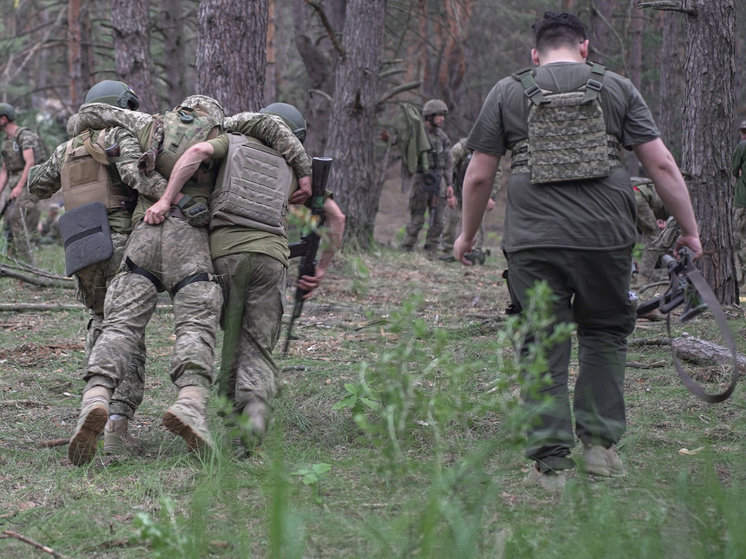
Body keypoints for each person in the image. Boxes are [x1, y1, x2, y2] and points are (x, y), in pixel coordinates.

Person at [454, 11, 702, 490]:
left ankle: (550, 467)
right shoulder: (617, 88)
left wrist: (467, 235)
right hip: (606, 236)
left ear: (535, 54)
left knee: (543, 341)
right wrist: (688, 229)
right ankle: (599, 449)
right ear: (584, 48)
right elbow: (662, 166)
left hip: (532, 239)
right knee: (605, 332)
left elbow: (480, 174)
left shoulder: (507, 91)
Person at [72, 96, 314, 466]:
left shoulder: (147, 124)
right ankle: (190, 403)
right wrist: (303, 167)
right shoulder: (228, 131)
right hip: (192, 242)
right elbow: (271, 126)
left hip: (145, 234)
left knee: (120, 325)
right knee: (195, 325)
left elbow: (88, 115)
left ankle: (96, 398)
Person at [144, 102, 344, 452]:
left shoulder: (230, 142)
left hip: (224, 257)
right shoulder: (298, 170)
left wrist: (165, 199)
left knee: (234, 334)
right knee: (257, 344)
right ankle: (250, 419)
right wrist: (322, 267)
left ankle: (229, 411)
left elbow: (196, 151)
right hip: (270, 259)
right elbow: (337, 218)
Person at [28, 81, 156, 457]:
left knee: (100, 322)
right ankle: (117, 425)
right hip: (119, 244)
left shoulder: (67, 148)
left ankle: (92, 405)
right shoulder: (118, 137)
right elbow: (139, 178)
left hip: (81, 247)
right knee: (125, 330)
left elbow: (37, 184)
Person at [381, 99, 454, 255]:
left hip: (438, 179)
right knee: (417, 218)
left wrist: (449, 184)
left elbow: (448, 162)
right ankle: (406, 248)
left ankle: (431, 250)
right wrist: (389, 140)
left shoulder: (442, 138)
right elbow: (401, 140)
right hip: (421, 179)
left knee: (439, 220)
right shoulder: (416, 132)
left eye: (443, 116)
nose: (442, 119)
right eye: (439, 115)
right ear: (429, 116)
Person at [0, 103, 46, 263]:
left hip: (30, 184)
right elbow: (5, 171)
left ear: (4, 118)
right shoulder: (7, 141)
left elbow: (30, 163)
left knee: (16, 218)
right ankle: (13, 261)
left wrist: (19, 187)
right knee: (8, 221)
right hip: (16, 185)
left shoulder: (25, 136)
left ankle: (28, 265)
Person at [441, 137, 501, 258]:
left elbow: (496, 173)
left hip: (477, 192)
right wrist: (449, 194)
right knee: (451, 218)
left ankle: (475, 251)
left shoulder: (488, 150)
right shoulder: (460, 149)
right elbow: (448, 170)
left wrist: (492, 196)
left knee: (476, 220)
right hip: (457, 189)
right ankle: (447, 249)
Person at [732, 121, 746, 288]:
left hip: (742, 202)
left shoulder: (742, 146)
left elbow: (734, 169)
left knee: (738, 238)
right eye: (743, 132)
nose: (743, 135)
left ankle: (744, 274)